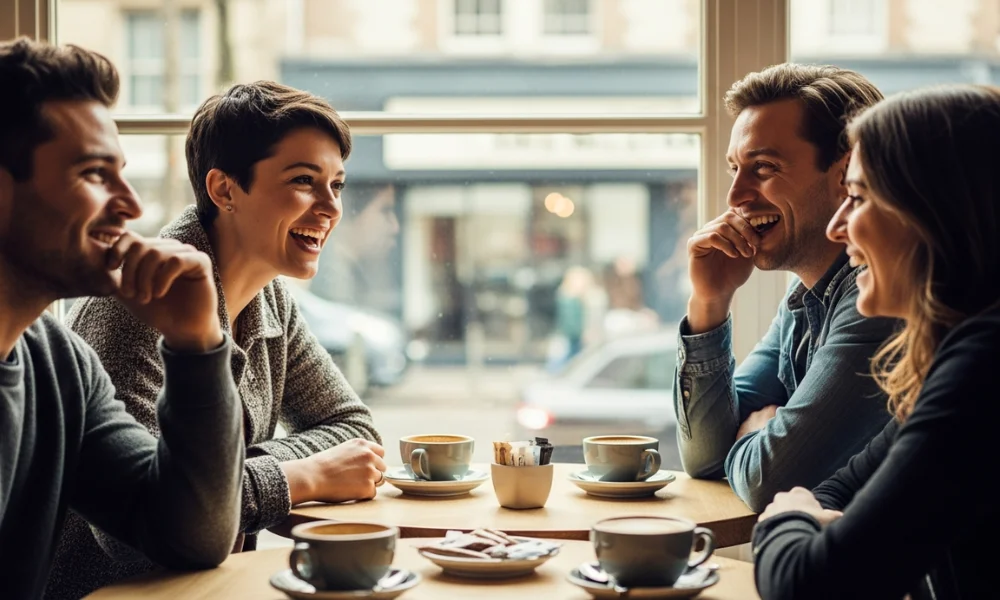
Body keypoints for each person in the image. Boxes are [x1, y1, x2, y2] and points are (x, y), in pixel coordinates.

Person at [46, 81, 385, 599]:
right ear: (225, 190)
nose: (331, 207)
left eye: (336, 185)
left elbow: (352, 429)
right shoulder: (138, 303)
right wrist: (302, 476)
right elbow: (141, 536)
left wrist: (227, 475)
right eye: (303, 181)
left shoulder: (270, 296)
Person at [0, 38, 243, 600]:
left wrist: (197, 343)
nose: (132, 206)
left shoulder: (59, 366)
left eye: (123, 173)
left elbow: (194, 537)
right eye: (93, 174)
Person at [753, 84, 1000, 600]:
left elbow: (810, 584)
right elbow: (840, 490)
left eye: (859, 198)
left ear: (933, 213)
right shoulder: (956, 356)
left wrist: (788, 517)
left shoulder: (984, 367)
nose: (839, 228)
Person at [674, 64, 899, 511]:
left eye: (763, 167)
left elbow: (767, 480)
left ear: (846, 175)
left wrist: (754, 433)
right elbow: (703, 457)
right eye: (736, 168)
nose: (736, 195)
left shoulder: (879, 299)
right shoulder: (804, 300)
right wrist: (709, 302)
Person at [309, 182, 399, 313]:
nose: (394, 226)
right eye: (385, 211)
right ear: (352, 212)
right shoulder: (323, 280)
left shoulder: (358, 274)